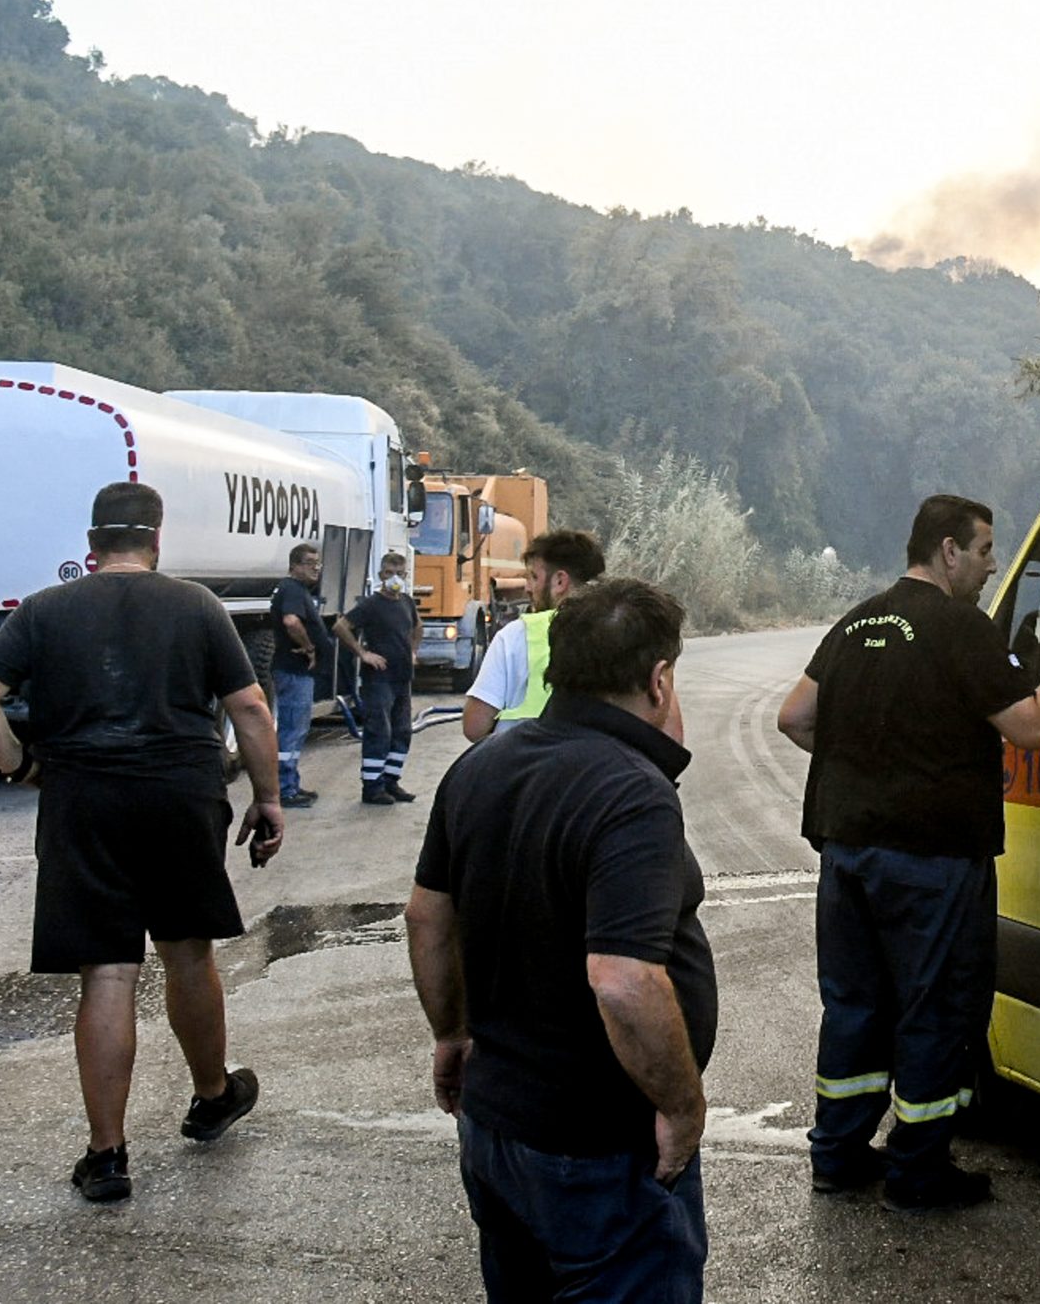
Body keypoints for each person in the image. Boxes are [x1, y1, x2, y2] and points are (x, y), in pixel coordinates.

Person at [777, 494, 1040, 1209]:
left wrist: (869, 764)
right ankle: (918, 1170)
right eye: (985, 549)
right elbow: (1029, 725)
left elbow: (795, 716)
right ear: (947, 550)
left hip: (847, 853)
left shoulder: (857, 621)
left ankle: (837, 1154)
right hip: (932, 858)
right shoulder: (960, 628)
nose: (993, 565)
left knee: (855, 1005)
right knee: (935, 1009)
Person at [0, 482, 284, 1205]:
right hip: (179, 794)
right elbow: (250, 706)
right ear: (156, 542)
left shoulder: (45, 608)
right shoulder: (197, 605)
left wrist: (23, 766)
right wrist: (268, 795)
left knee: (107, 971)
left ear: (91, 545)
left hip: (83, 800)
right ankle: (211, 1094)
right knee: (188, 950)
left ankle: (107, 1157)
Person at [406, 577, 716, 1303]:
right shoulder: (632, 791)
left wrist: (451, 1034)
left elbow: (427, 915)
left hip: (496, 1127)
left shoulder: (479, 767)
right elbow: (622, 978)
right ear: (658, 677)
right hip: (597, 1146)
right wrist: (680, 1105)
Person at [460, 528, 607, 745]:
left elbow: (474, 726)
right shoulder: (625, 632)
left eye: (534, 577)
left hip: (523, 770)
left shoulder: (516, 635)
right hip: (602, 770)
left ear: (560, 582)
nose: (527, 588)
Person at [336, 552, 418, 806]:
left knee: (402, 731)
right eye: (390, 573)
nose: (396, 579)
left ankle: (391, 781)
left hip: (402, 678)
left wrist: (413, 651)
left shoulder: (406, 601)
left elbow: (418, 626)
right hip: (379, 680)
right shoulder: (371, 605)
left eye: (401, 574)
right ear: (382, 575)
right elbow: (340, 626)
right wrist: (363, 653)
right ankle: (372, 787)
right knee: (379, 731)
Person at [267, 543, 328, 807]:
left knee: (295, 730)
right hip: (294, 671)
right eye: (309, 563)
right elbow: (291, 621)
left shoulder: (294, 589)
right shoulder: (292, 589)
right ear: (294, 566)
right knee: (292, 731)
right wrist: (309, 646)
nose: (315, 568)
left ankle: (291, 784)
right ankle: (285, 790)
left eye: (318, 563)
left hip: (294, 672)